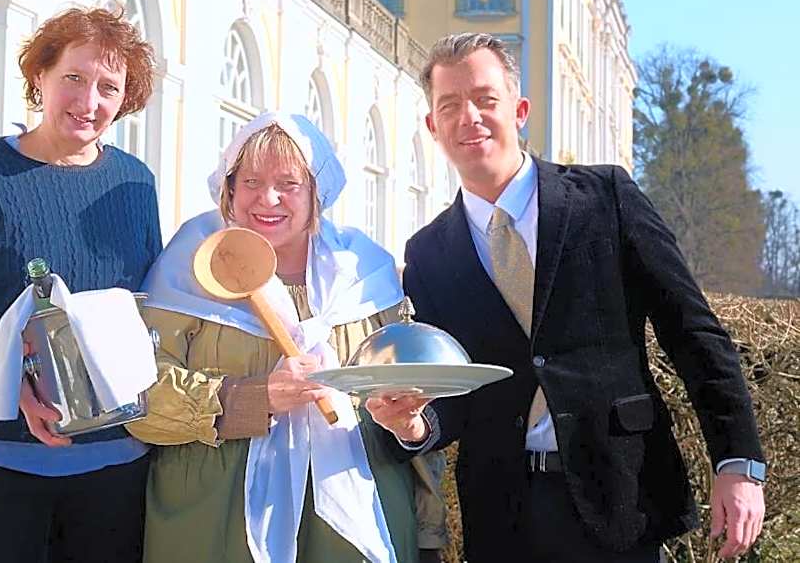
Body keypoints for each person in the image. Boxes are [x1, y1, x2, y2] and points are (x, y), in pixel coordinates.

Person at [366, 33, 766, 562]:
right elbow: (456, 396)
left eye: (486, 99)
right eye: (450, 105)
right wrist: (415, 425)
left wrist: (737, 462)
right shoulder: (428, 254)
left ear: (520, 109)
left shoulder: (608, 198)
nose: (470, 117)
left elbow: (692, 332)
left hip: (623, 503)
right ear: (432, 126)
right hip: (502, 520)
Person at [126, 111, 441, 563]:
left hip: (355, 521)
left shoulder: (365, 276)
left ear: (317, 193)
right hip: (215, 522)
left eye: (289, 184)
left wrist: (430, 530)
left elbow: (416, 405)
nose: (267, 199)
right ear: (228, 190)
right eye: (250, 181)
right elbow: (137, 399)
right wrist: (255, 398)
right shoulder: (189, 269)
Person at [0, 6, 161, 563]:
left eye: (109, 87)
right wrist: (5, 376)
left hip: (112, 468)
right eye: (73, 77)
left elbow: (145, 304)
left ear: (126, 99)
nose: (88, 101)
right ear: (40, 76)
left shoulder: (135, 184)